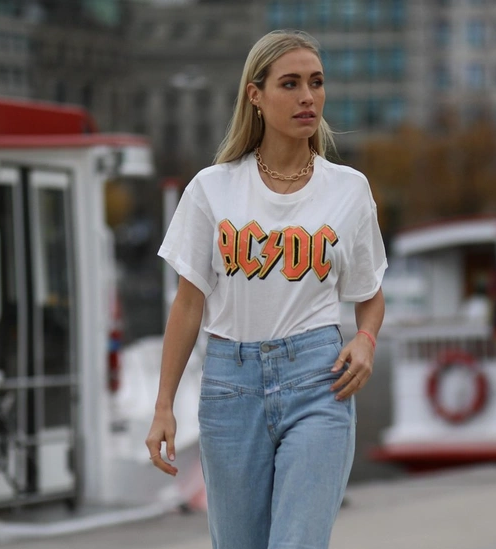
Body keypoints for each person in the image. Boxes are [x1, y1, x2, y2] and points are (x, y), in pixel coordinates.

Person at [146, 29, 387, 549]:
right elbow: (188, 304)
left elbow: (368, 292)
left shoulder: (349, 189)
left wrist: (365, 340)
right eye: (290, 83)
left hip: (318, 382)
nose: (308, 97)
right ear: (255, 95)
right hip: (230, 390)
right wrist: (164, 405)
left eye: (316, 83)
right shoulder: (212, 188)